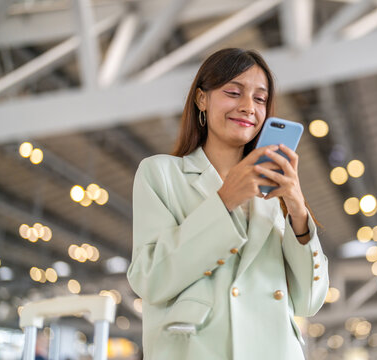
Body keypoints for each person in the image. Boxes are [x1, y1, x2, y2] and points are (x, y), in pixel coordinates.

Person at [127, 48, 329, 359]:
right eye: (233, 93)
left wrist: (298, 210)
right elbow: (150, 279)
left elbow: (309, 301)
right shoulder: (161, 174)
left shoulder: (274, 196)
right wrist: (225, 200)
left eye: (260, 99)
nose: (248, 107)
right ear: (201, 100)